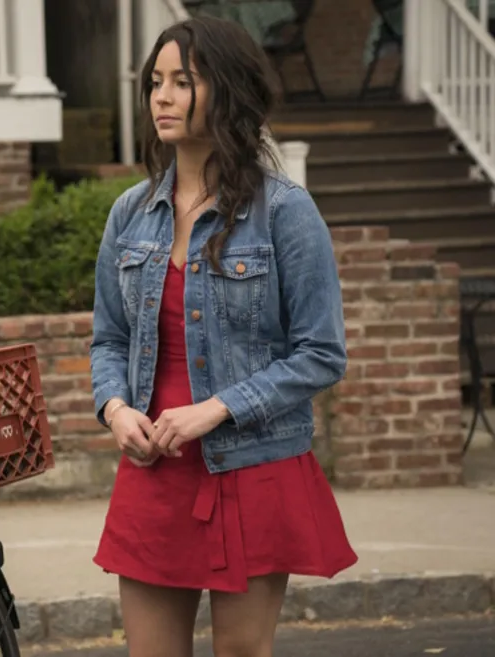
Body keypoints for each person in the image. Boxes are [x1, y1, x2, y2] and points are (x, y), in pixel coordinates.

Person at [89, 16, 358, 657]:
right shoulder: (130, 212)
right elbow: (109, 338)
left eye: (184, 81)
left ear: (228, 91)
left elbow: (322, 352)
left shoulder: (285, 212)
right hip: (154, 469)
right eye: (156, 81)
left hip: (253, 466)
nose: (162, 96)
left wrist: (216, 410)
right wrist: (116, 408)